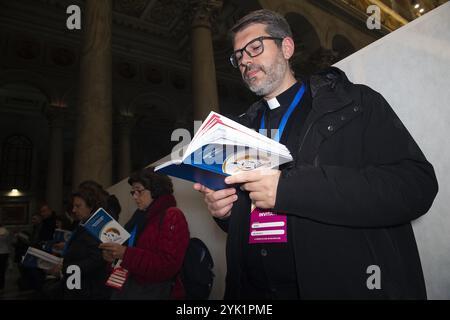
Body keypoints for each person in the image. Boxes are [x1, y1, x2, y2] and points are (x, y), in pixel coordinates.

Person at [194, 9, 438, 299]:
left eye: (255, 47)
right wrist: (226, 211)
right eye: (238, 56)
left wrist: (290, 189)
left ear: (287, 47)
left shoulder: (354, 103)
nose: (245, 60)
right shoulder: (239, 131)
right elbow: (246, 218)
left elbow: (416, 187)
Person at [99, 167, 189, 300]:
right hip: (129, 287)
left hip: (150, 291)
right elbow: (129, 251)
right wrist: (113, 256)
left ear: (156, 189)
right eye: (133, 192)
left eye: (139, 191)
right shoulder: (140, 216)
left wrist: (125, 253)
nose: (135, 197)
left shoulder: (172, 215)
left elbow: (168, 266)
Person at [46, 184, 110, 299]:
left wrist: (64, 269)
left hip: (89, 289)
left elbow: (97, 259)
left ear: (91, 206)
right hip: (78, 284)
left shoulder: (98, 225)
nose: (74, 210)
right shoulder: (84, 223)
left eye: (78, 206)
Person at [0, 215, 12, 291]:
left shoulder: (5, 231)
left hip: (2, 252)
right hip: (4, 252)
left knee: (1, 271)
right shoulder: (6, 231)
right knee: (2, 271)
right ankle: (1, 287)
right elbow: (8, 243)